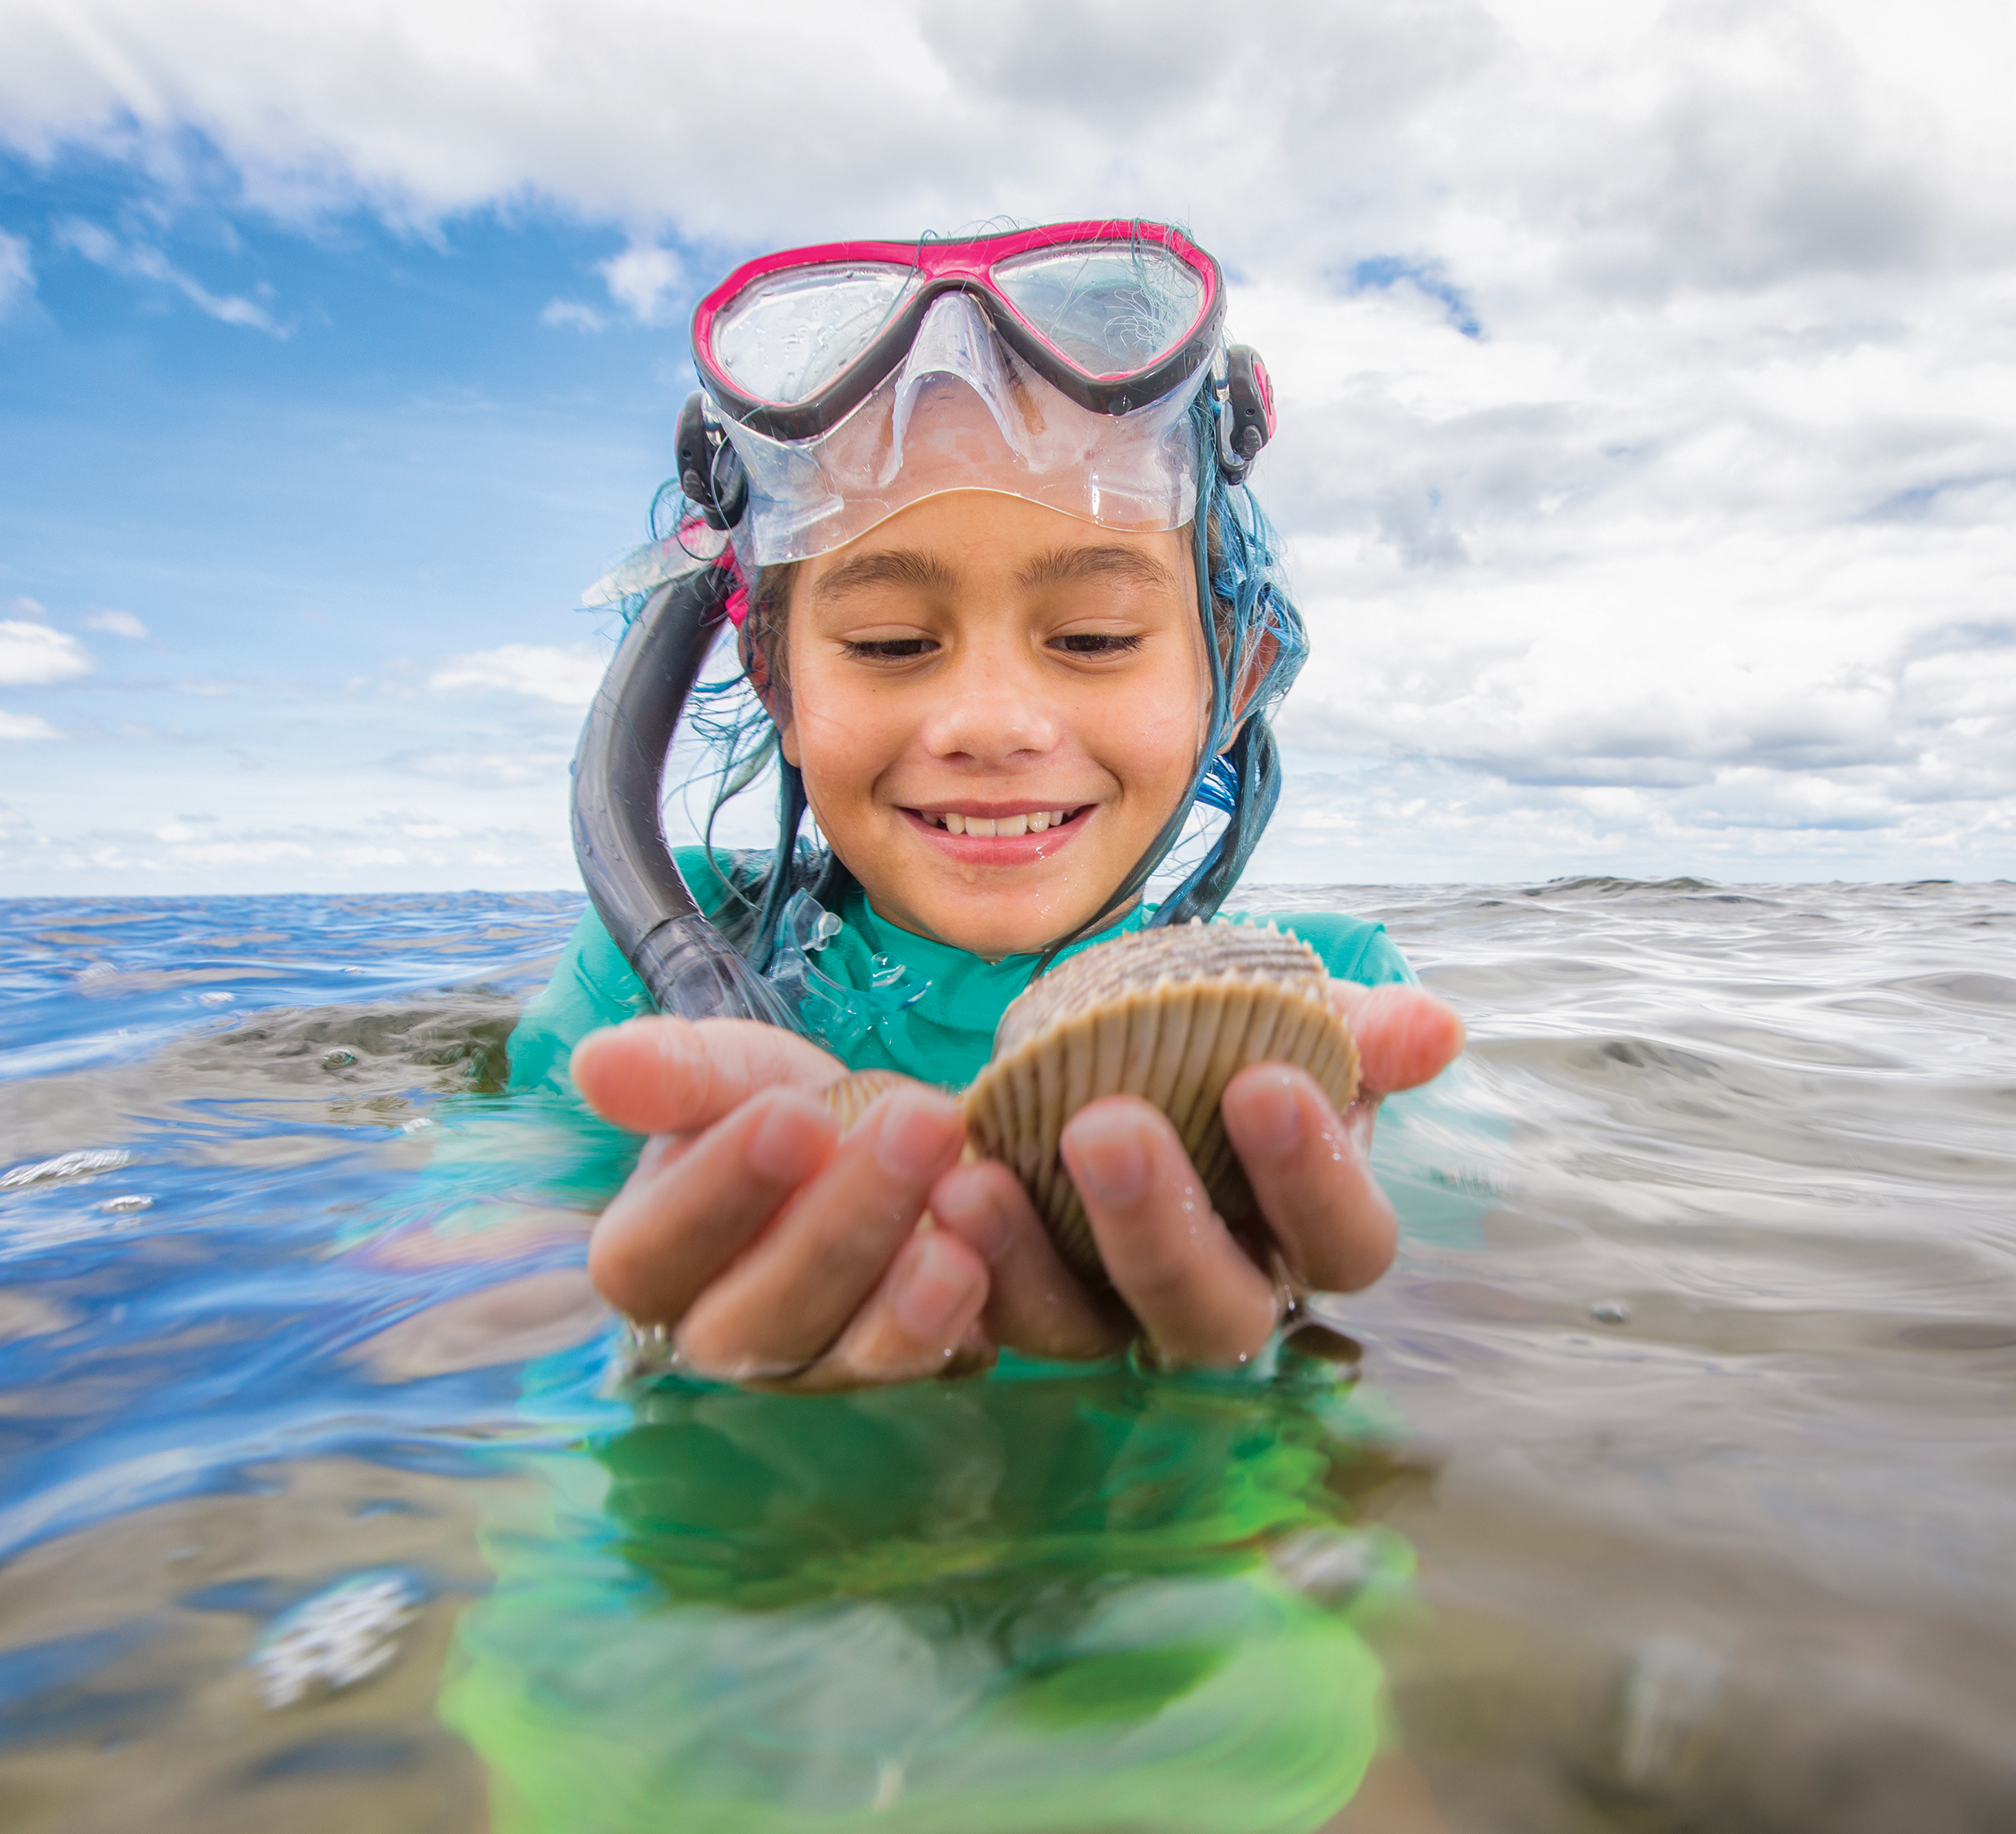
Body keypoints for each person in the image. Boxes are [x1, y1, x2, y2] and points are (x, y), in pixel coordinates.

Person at [509, 219, 1468, 1391]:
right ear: (784, 693)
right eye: (892, 643)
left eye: (1096, 638)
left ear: (1239, 676)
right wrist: (657, 1351)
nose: (992, 721)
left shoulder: (1342, 998)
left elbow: (1470, 1299)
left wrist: (1294, 1320)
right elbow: (468, 1281)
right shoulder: (654, 976)